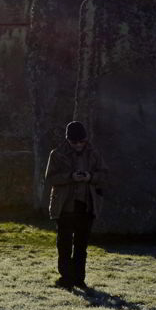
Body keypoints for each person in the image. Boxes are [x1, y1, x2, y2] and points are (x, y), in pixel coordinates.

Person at [44, 121, 101, 289]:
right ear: (68, 140)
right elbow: (50, 179)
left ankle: (79, 279)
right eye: (74, 142)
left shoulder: (94, 154)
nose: (78, 145)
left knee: (81, 246)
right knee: (64, 245)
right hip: (64, 206)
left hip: (86, 205)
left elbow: (104, 175)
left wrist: (89, 176)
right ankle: (66, 278)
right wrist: (71, 177)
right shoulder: (56, 154)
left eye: (81, 141)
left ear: (85, 139)